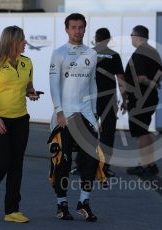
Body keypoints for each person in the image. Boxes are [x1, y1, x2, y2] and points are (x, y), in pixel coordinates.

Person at [0, 25, 40, 223]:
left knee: (16, 165)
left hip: (21, 119)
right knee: (3, 162)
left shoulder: (27, 62)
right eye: (23, 40)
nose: (25, 43)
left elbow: (28, 86)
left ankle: (12, 210)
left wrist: (31, 93)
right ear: (13, 41)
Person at [49, 13, 98, 222]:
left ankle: (84, 203)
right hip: (64, 117)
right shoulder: (58, 53)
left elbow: (92, 84)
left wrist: (95, 115)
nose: (77, 31)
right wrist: (59, 111)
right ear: (66, 29)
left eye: (81, 27)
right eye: (73, 27)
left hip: (86, 115)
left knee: (90, 161)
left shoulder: (91, 53)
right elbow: (53, 84)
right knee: (63, 163)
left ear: (85, 29)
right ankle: (62, 205)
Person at [124, 25, 162, 178]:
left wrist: (151, 83)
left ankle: (146, 166)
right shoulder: (153, 52)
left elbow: (141, 78)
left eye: (131, 35)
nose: (131, 38)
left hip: (140, 100)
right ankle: (151, 165)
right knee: (144, 131)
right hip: (150, 98)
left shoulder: (139, 54)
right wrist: (156, 83)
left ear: (136, 36)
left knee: (140, 134)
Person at [93, 28, 126, 177]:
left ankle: (82, 166)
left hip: (90, 100)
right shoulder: (114, 55)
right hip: (109, 100)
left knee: (86, 132)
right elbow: (121, 80)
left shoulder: (87, 53)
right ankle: (104, 168)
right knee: (107, 134)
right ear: (108, 40)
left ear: (96, 38)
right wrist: (125, 99)